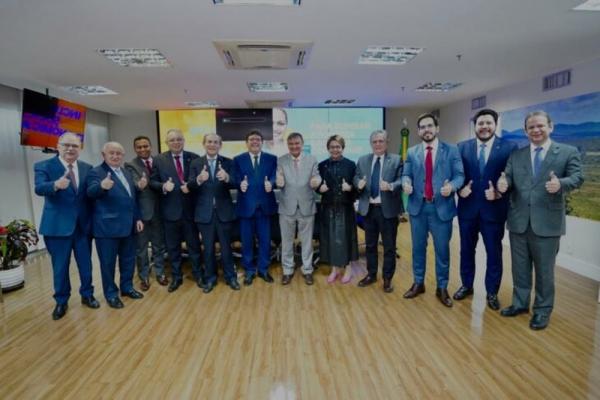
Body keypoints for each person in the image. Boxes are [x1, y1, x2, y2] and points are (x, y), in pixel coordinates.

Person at [497, 110, 583, 330]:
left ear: (550, 127)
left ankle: (542, 311)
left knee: (545, 271)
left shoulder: (567, 152)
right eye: (531, 127)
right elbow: (506, 176)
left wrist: (561, 184)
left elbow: (577, 177)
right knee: (520, 268)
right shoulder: (517, 155)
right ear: (526, 131)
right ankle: (520, 303)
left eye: (540, 126)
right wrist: (503, 183)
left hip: (547, 223)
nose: (536, 130)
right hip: (518, 221)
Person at [454, 109, 518, 310]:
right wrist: (459, 189)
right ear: (475, 125)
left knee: (493, 253)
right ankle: (466, 285)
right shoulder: (462, 147)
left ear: (495, 124)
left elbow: (514, 179)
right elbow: (455, 174)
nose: (484, 126)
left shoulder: (509, 148)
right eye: (480, 123)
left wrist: (500, 194)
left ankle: (492, 292)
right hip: (467, 210)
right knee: (466, 251)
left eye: (488, 123)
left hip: (494, 211)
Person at [34, 132, 99, 320]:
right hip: (57, 227)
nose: (70, 149)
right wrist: (55, 185)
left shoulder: (87, 168)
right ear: (58, 145)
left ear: (80, 148)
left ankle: (87, 295)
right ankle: (61, 301)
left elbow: (90, 195)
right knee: (60, 267)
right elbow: (39, 188)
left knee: (86, 265)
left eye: (75, 146)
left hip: (82, 227)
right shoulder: (44, 166)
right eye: (66, 145)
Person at [402, 113, 464, 307]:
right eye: (422, 127)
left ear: (437, 128)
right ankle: (418, 283)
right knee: (418, 249)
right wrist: (406, 183)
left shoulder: (452, 150)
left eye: (430, 126)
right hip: (418, 208)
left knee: (442, 251)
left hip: (441, 209)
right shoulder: (412, 152)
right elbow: (406, 174)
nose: (426, 129)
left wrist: (451, 187)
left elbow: (460, 175)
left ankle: (442, 287)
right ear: (419, 131)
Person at [87, 142, 144, 309]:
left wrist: (138, 218)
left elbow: (131, 199)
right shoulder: (95, 172)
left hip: (128, 226)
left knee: (128, 260)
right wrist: (102, 187)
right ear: (103, 155)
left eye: (119, 153)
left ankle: (127, 288)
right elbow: (91, 192)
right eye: (111, 153)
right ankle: (111, 294)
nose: (115, 156)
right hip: (107, 228)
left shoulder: (126, 172)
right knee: (108, 264)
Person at [150, 129, 202, 293]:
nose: (176, 142)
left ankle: (198, 275)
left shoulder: (193, 157)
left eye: (179, 139)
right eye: (172, 140)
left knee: (194, 246)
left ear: (184, 141)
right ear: (167, 143)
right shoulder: (158, 159)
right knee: (173, 249)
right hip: (170, 212)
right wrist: (163, 186)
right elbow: (153, 182)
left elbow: (198, 180)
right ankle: (176, 277)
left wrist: (192, 184)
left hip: (190, 212)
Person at [187, 133, 240, 292]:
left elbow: (236, 183)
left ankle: (231, 277)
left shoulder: (228, 162)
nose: (212, 145)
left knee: (226, 248)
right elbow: (189, 186)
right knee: (208, 249)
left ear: (220, 145)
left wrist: (227, 178)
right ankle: (210, 278)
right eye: (209, 142)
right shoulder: (196, 163)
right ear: (204, 144)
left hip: (224, 213)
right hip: (204, 214)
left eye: (216, 142)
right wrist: (199, 180)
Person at [354, 130, 404, 293]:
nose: (377, 144)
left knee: (389, 247)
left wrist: (390, 186)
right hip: (369, 210)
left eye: (381, 141)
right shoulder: (363, 160)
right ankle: (371, 274)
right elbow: (356, 177)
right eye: (374, 142)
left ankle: (387, 278)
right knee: (370, 245)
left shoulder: (396, 160)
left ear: (386, 142)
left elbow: (402, 179)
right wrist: (358, 183)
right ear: (371, 144)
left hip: (387, 210)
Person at [233, 130, 278, 285]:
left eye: (258, 139)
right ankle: (249, 271)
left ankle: (264, 270)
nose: (254, 142)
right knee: (247, 241)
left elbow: (274, 176)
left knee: (265, 241)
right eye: (251, 139)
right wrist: (240, 184)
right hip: (246, 207)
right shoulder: (238, 159)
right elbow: (235, 178)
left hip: (265, 207)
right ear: (247, 142)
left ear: (262, 142)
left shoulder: (272, 159)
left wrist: (271, 183)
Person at [276, 132, 321, 285]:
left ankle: (307, 269)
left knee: (307, 242)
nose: (294, 146)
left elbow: (317, 176)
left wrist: (317, 181)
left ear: (302, 144)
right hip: (286, 207)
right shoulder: (281, 160)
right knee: (286, 241)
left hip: (306, 206)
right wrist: (278, 180)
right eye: (291, 144)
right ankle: (287, 270)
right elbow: (278, 177)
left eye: (297, 143)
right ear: (288, 145)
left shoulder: (312, 159)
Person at [124, 135, 168, 291]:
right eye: (139, 147)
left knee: (159, 246)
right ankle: (144, 277)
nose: (143, 149)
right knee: (141, 248)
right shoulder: (130, 165)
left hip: (161, 212)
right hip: (142, 215)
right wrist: (140, 185)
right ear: (135, 149)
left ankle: (160, 273)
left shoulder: (159, 161)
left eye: (145, 146)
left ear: (151, 146)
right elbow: (135, 185)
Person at [317, 135, 359, 284]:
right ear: (328, 148)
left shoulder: (351, 165)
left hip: (345, 207)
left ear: (342, 148)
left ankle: (348, 269)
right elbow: (317, 185)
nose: (335, 149)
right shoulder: (322, 165)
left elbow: (357, 187)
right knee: (330, 239)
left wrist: (351, 188)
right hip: (328, 207)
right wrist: (318, 188)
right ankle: (334, 269)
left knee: (347, 239)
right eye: (332, 147)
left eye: (338, 146)